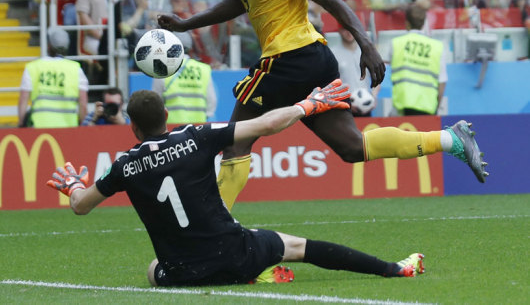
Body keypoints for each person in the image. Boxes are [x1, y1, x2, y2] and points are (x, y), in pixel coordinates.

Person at [158, 0, 488, 221]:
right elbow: (238, 1)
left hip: (290, 60)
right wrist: (187, 24)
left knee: (235, 143)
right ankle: (450, 139)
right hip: (310, 62)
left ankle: (213, 232)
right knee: (352, 148)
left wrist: (365, 42)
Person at [48, 87, 427, 286]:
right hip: (234, 253)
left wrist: (73, 186)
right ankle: (393, 269)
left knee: (152, 270)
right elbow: (265, 124)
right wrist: (307, 105)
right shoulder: (195, 136)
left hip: (180, 272)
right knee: (297, 247)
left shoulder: (124, 166)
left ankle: (258, 273)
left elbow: (81, 205)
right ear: (166, 116)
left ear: (132, 127)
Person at [18, 27, 88, 128]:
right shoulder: (76, 69)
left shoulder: (33, 67)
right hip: (69, 129)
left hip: (39, 129)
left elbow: (23, 99)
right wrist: (83, 126)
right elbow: (83, 104)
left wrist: (21, 124)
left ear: (48, 45)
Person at [387, 6, 447, 116]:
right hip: (428, 107)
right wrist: (436, 107)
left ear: (407, 23)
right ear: (424, 23)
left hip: (402, 106)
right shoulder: (437, 47)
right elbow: (442, 82)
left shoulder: (396, 43)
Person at [151, 35, 217, 123]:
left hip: (172, 128)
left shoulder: (163, 69)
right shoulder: (203, 68)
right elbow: (211, 102)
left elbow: (156, 103)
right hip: (198, 129)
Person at [329, 27, 377, 116]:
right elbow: (329, 82)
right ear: (339, 31)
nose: (349, 32)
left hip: (365, 105)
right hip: (343, 106)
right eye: (345, 29)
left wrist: (373, 97)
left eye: (351, 29)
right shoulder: (332, 53)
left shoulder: (367, 52)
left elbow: (376, 77)